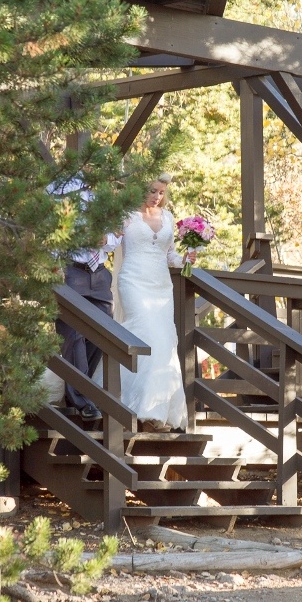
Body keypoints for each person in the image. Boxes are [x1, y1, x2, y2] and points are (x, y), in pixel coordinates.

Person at [114, 173, 196, 433]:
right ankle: (129, 404)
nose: (157, 197)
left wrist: (187, 259)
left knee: (163, 342)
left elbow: (171, 256)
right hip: (134, 281)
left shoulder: (168, 218)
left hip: (161, 286)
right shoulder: (125, 214)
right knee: (144, 334)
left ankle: (154, 411)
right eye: (152, 191)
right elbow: (112, 242)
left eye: (161, 193)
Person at [49, 177, 122, 421]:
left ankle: (81, 390)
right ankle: (82, 400)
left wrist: (106, 240)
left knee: (102, 334)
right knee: (73, 334)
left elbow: (117, 235)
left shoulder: (106, 189)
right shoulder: (58, 186)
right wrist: (54, 266)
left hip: (99, 273)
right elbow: (48, 228)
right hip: (70, 269)